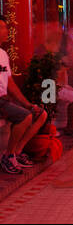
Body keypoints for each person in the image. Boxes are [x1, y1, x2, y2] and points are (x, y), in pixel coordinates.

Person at [0, 16, 47, 175]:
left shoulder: (3, 54)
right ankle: (8, 156)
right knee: (25, 116)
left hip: (4, 100)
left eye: (5, 27)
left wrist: (27, 104)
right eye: (2, 28)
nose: (5, 31)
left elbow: (10, 83)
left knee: (40, 113)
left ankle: (16, 152)